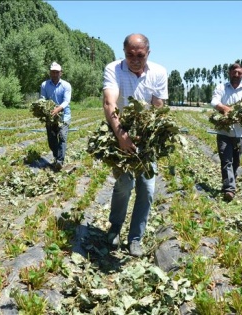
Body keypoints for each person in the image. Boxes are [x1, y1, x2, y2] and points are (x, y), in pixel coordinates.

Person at [102, 33, 168, 257]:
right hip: (119, 130)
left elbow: (158, 106)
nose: (135, 59)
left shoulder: (158, 72)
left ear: (148, 53)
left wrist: (157, 129)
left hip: (146, 137)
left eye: (140, 55)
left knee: (147, 190)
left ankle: (135, 239)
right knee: (124, 183)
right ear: (124, 53)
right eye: (130, 55)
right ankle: (115, 228)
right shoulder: (114, 69)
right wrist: (122, 136)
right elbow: (110, 102)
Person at [210, 63, 242, 202]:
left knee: (236, 162)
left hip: (240, 133)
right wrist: (224, 108)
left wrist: (236, 113)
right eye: (234, 72)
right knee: (226, 160)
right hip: (224, 132)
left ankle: (229, 183)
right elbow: (214, 101)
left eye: (239, 73)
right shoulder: (221, 88)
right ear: (229, 73)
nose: (236, 75)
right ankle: (230, 189)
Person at [40, 62, 72, 171]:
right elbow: (42, 99)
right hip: (50, 117)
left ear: (61, 73)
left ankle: (59, 161)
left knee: (62, 137)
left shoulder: (66, 85)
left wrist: (58, 109)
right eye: (53, 72)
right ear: (50, 73)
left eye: (57, 72)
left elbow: (66, 101)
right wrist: (43, 108)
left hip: (64, 116)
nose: (54, 74)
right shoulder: (45, 85)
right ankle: (56, 156)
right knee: (52, 139)